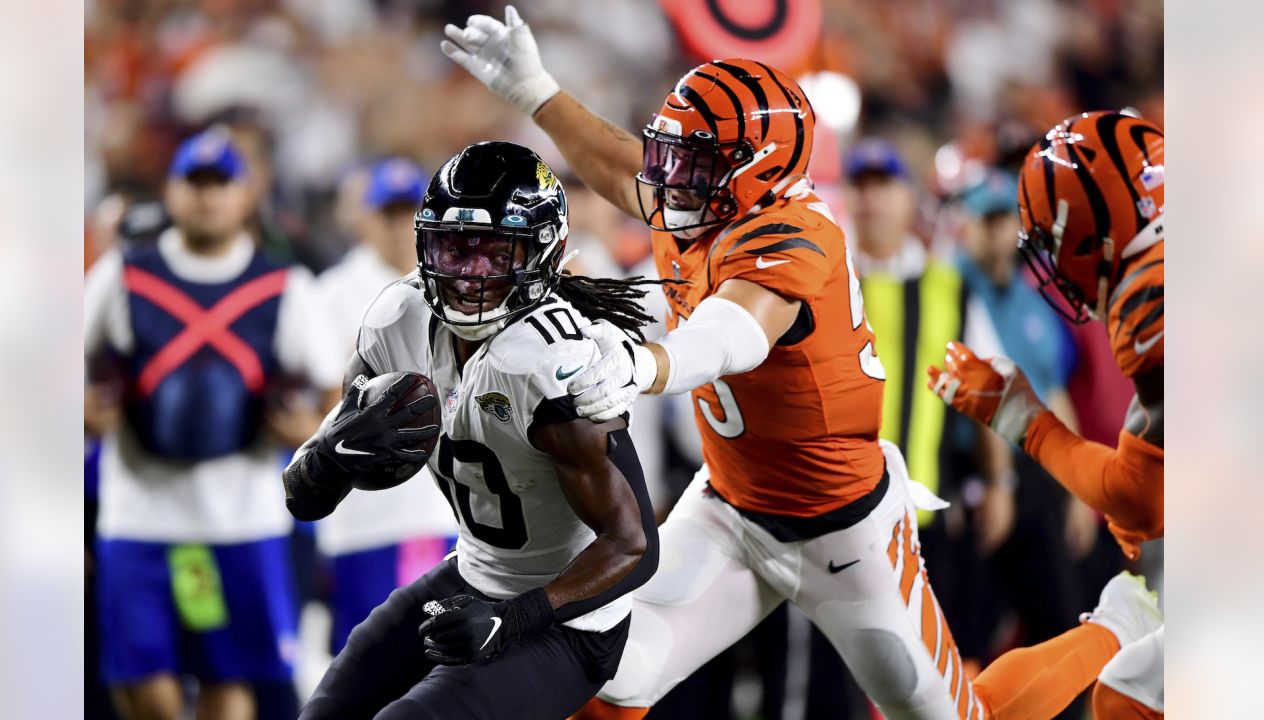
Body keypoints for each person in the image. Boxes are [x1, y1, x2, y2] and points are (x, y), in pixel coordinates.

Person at [442, 9, 1161, 719]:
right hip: (731, 505)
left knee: (955, 718)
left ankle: (1115, 627)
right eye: (672, 155)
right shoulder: (695, 200)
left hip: (842, 529)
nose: (667, 179)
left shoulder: (798, 233)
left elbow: (735, 332)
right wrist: (537, 91)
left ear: (754, 173)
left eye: (690, 163)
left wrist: (642, 365)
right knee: (618, 675)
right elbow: (620, 164)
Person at [287, 141, 663, 720]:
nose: (469, 275)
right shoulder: (396, 321)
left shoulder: (550, 364)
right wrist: (328, 459)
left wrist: (515, 618)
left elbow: (634, 546)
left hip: (567, 620)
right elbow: (305, 499)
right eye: (454, 247)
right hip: (473, 574)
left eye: (494, 252)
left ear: (543, 254)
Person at [84, 127, 342, 720]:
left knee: (231, 673)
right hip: (140, 512)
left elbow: (334, 396)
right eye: (193, 184)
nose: (206, 198)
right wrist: (83, 409)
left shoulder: (284, 285)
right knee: (140, 675)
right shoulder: (122, 275)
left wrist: (307, 429)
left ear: (245, 194)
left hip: (240, 515)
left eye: (220, 184)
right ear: (172, 192)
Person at [927, 111, 1165, 718]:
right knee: (1129, 661)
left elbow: (1139, 499)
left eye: (1055, 241)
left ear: (1097, 226)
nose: (1055, 264)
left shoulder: (1153, 298)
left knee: (1128, 692)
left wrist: (1024, 421)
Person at [314, 157, 458, 658]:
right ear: (364, 218)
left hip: (439, 511)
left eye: (407, 213)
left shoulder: (459, 285)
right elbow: (321, 400)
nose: (398, 227)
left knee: (437, 663)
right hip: (362, 515)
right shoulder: (332, 293)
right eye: (387, 213)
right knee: (362, 664)